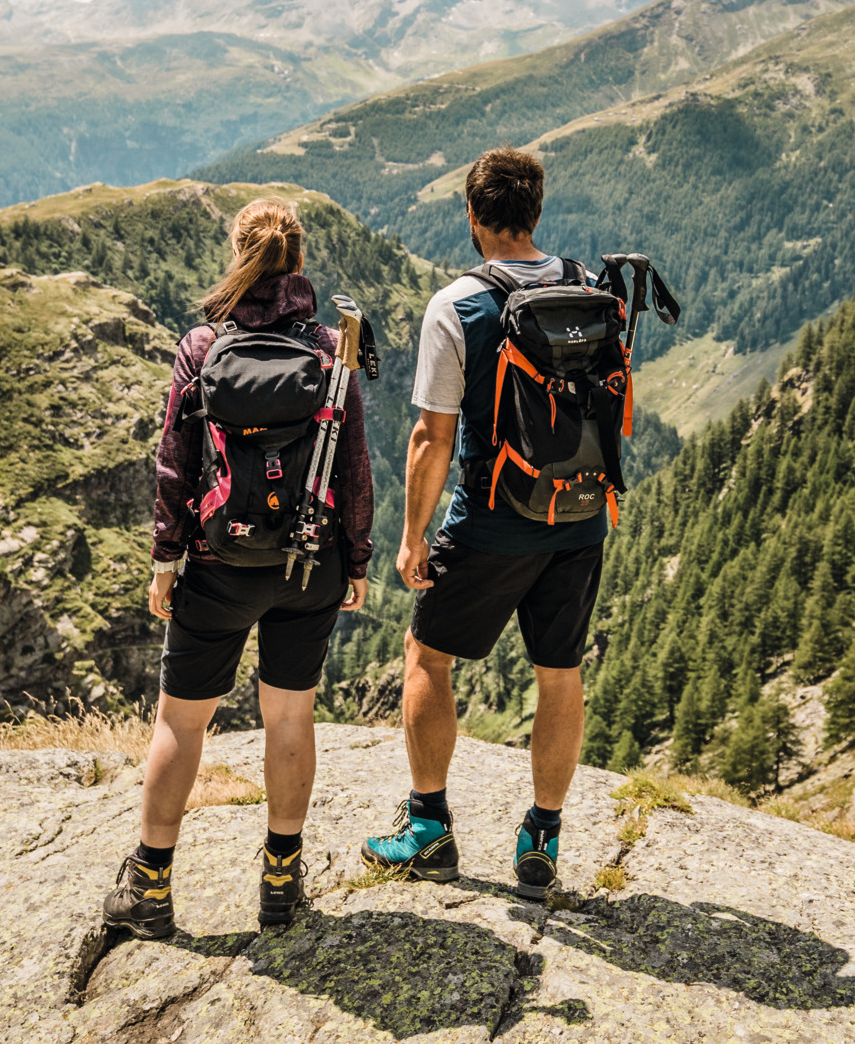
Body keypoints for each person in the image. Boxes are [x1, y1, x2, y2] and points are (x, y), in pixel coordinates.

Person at [103, 198, 373, 939]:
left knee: (181, 723)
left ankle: (150, 887)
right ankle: (281, 881)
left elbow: (173, 463)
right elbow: (353, 465)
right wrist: (356, 557)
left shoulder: (201, 345)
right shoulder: (329, 347)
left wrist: (167, 558)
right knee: (289, 714)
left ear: (238, 253)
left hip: (218, 563)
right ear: (299, 260)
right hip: (306, 562)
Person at [362, 147, 597, 901]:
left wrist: (413, 534)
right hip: (580, 514)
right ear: (535, 212)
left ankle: (428, 827)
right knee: (559, 673)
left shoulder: (457, 305)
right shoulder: (585, 287)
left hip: (494, 518)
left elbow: (432, 437)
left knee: (428, 653)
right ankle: (543, 837)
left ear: (473, 215)